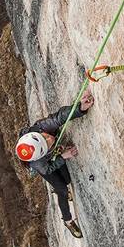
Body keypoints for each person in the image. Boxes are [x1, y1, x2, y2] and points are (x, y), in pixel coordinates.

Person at [15, 90, 94, 238]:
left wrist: (79, 107)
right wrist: (63, 156)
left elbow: (59, 117)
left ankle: (56, 181)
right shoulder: (38, 163)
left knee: (67, 179)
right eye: (47, 144)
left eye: (45, 137)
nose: (50, 138)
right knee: (62, 189)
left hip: (51, 155)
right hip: (46, 165)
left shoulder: (41, 128)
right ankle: (68, 220)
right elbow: (48, 168)